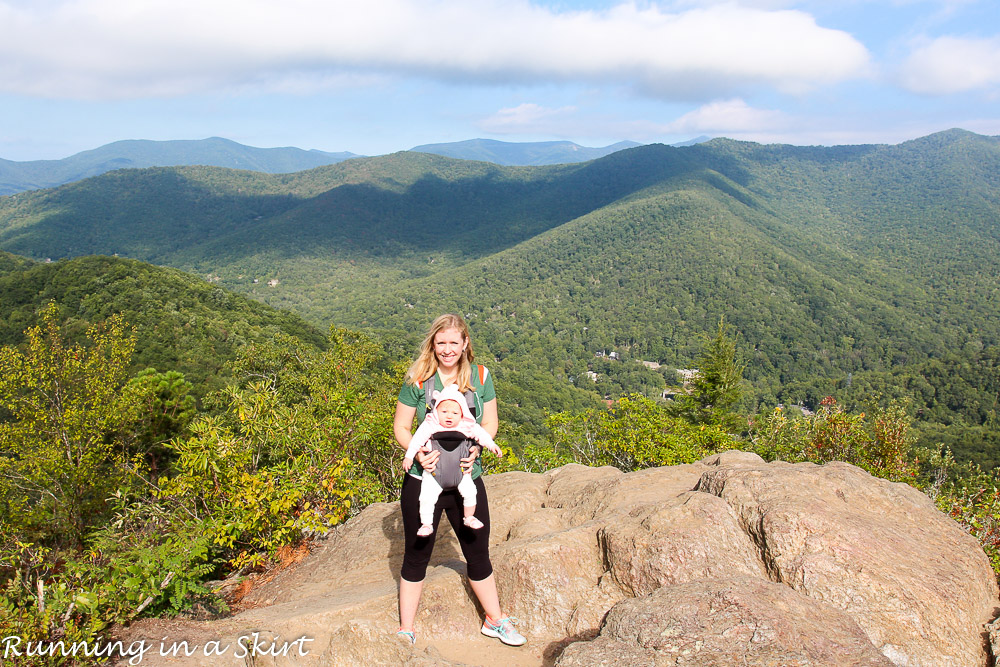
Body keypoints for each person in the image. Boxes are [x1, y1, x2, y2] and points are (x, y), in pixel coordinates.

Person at [393, 314, 525, 647]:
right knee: (417, 552)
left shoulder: (480, 377)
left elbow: (491, 421)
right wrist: (419, 454)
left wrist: (479, 447)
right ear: (432, 345)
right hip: (423, 479)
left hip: (467, 476)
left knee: (477, 551)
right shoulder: (418, 379)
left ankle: (494, 620)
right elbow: (401, 428)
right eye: (441, 343)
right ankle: (406, 628)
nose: (447, 350)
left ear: (465, 343)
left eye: (454, 342)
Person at [401, 383, 503, 537]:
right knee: (426, 497)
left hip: (461, 472)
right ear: (436, 411)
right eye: (444, 411)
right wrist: (410, 456)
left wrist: (491, 445)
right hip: (434, 473)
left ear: (462, 413)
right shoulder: (431, 425)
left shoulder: (466, 425)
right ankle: (427, 524)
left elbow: (482, 435)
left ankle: (469, 517)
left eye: (455, 412)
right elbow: (416, 440)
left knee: (470, 492)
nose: (449, 416)